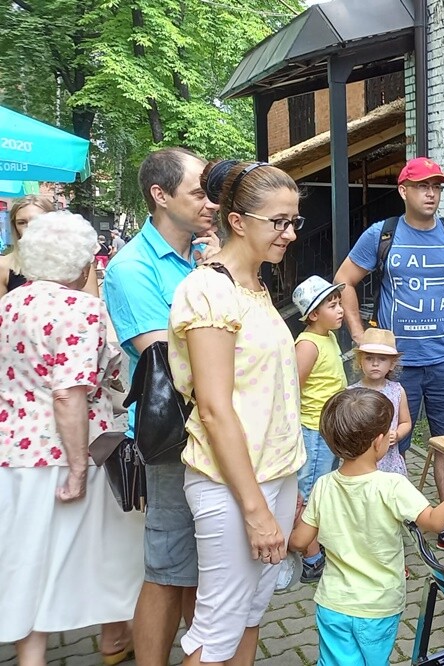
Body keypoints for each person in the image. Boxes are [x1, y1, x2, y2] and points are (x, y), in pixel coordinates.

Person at [333, 156, 444, 560]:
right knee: (384, 444)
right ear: (403, 191)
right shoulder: (383, 234)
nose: (431, 194)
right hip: (395, 367)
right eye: (423, 186)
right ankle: (381, 525)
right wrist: (359, 336)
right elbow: (344, 281)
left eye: (436, 187)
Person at [167, 160, 304, 666]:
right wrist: (255, 510)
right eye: (279, 222)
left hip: (273, 475)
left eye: (294, 221)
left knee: (249, 615)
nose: (290, 233)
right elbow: (214, 408)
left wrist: (287, 487)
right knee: (215, 633)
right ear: (238, 221)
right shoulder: (209, 290)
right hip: (232, 485)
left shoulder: (256, 286)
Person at [0, 212, 143, 665]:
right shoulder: (82, 309)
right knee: (111, 549)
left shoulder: (9, 304)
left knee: (26, 559)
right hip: (69, 452)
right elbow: (69, 392)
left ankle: (32, 656)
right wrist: (79, 468)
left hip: (13, 449)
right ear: (83, 265)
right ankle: (115, 636)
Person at [103, 147, 220, 666]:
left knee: (197, 567)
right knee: (168, 568)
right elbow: (165, 355)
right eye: (199, 192)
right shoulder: (131, 268)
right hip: (173, 436)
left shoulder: (202, 256)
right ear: (160, 195)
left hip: (212, 428)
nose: (211, 203)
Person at [288, 388, 444, 666]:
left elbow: (299, 542)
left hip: (333, 604)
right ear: (378, 442)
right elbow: (435, 521)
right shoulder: (392, 485)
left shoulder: (324, 485)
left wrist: (294, 517)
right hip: (378, 607)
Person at [291, 274, 348, 583]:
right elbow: (293, 389)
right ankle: (311, 557)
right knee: (309, 493)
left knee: (320, 489)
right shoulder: (308, 345)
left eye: (339, 304)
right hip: (313, 431)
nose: (340, 310)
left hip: (328, 430)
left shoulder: (328, 337)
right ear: (313, 314)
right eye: (332, 305)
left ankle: (314, 543)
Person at [0, 194, 99, 299]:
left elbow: (92, 304)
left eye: (36, 221)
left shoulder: (79, 262)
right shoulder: (4, 265)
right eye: (21, 223)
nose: (29, 227)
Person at [349, 328, 413, 476]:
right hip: (360, 461)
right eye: (369, 358)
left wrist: (397, 434)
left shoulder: (397, 391)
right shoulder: (351, 393)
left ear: (392, 364)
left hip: (389, 461)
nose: (375, 363)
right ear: (360, 361)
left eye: (382, 359)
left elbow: (406, 422)